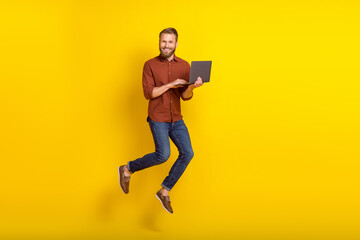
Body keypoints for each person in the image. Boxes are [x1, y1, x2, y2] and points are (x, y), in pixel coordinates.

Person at [118, 27, 203, 214]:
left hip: (177, 119)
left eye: (170, 42)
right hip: (158, 118)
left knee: (187, 153)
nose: (166, 45)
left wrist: (193, 88)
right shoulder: (149, 65)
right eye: (163, 41)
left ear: (176, 44)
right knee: (162, 155)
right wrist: (171, 84)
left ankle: (164, 191)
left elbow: (185, 96)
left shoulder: (185, 66)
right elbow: (149, 93)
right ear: (159, 42)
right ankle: (127, 169)